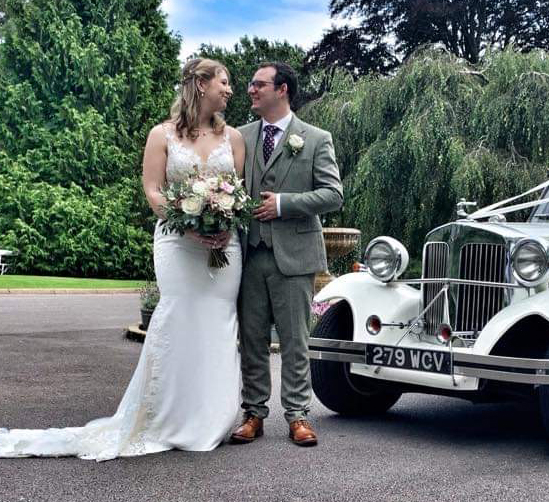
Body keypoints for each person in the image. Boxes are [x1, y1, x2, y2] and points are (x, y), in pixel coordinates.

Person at [0, 58, 246, 461]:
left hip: (223, 246)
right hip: (177, 243)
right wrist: (188, 226)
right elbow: (153, 191)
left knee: (219, 322)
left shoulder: (234, 138)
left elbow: (238, 194)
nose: (230, 90)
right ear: (200, 85)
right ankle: (165, 416)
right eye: (224, 81)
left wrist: (222, 224)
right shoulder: (161, 135)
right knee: (179, 316)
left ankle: (212, 418)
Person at [230, 61, 342, 447]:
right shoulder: (239, 137)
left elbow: (333, 195)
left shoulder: (315, 138)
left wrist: (283, 204)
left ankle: (297, 416)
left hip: (294, 255)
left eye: (258, 84)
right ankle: (253, 413)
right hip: (248, 254)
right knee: (251, 338)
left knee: (296, 339)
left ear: (282, 90)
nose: (250, 90)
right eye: (250, 84)